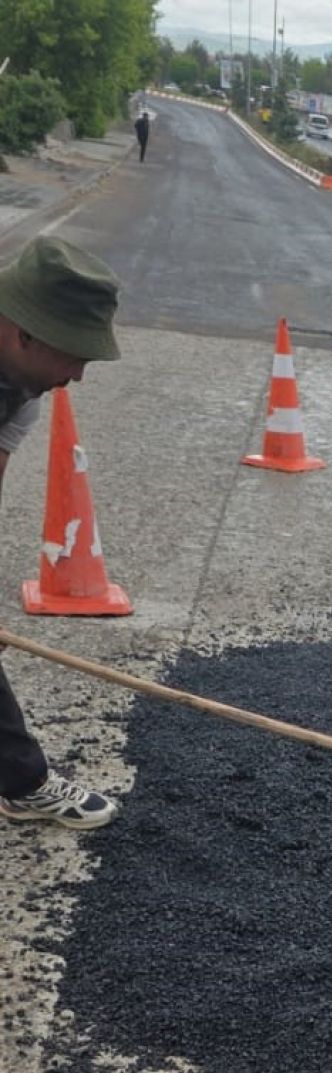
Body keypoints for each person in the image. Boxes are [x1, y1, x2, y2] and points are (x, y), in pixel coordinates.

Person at [0, 237, 124, 829]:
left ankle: (21, 784)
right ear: (24, 334)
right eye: (73, 354)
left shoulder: (20, 390)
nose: (77, 373)